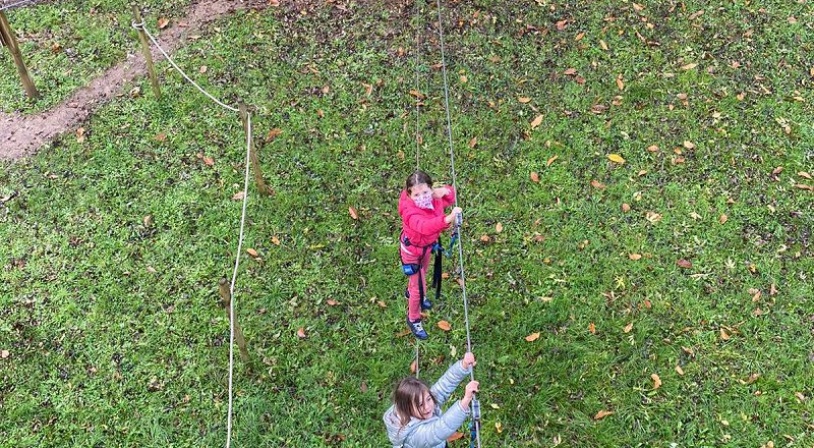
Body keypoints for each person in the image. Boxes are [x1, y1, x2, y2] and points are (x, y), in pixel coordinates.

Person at [398, 170, 461, 340]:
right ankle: (413, 318)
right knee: (419, 288)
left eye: (425, 192)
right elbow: (424, 226)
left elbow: (449, 198)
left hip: (426, 247)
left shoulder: (433, 198)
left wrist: (447, 191)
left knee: (421, 275)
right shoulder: (409, 210)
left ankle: (411, 292)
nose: (422, 197)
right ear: (409, 194)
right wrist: (448, 219)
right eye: (416, 194)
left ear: (431, 189)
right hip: (411, 251)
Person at [383, 352, 479, 448]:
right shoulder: (414, 437)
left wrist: (463, 365)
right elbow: (438, 430)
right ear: (407, 410)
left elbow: (444, 386)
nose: (428, 406)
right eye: (420, 405)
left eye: (428, 399)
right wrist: (465, 400)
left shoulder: (422, 403)